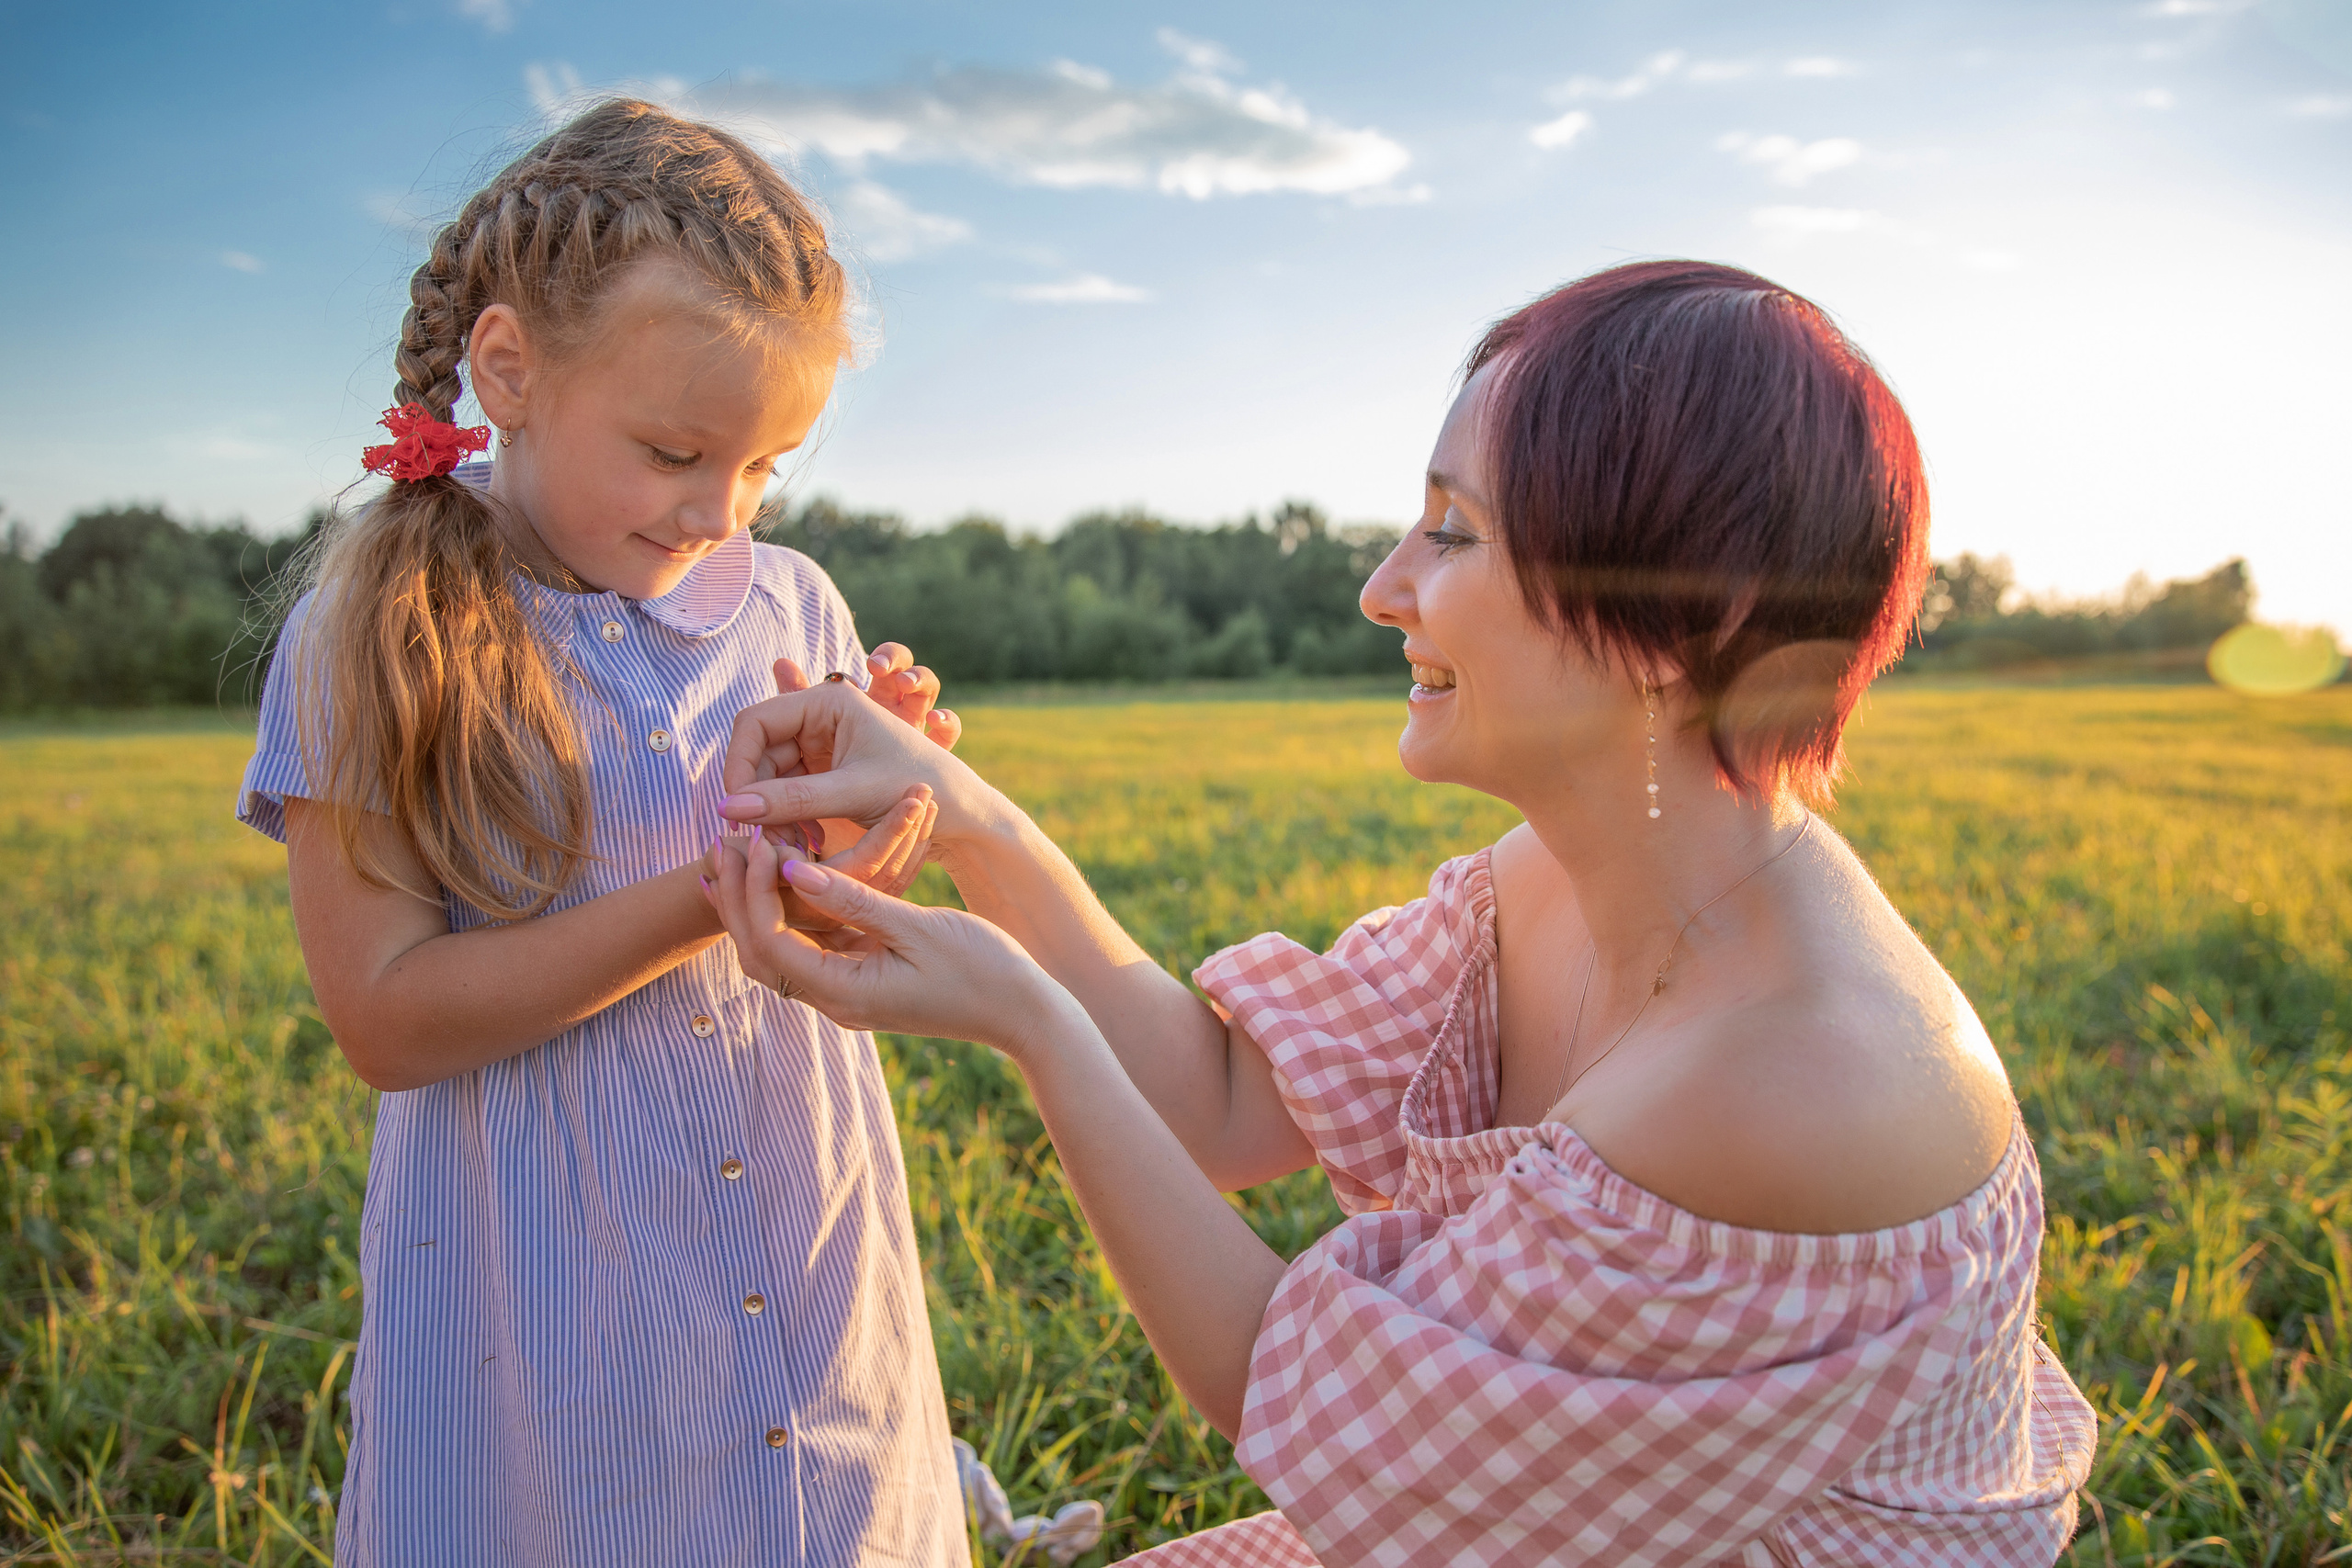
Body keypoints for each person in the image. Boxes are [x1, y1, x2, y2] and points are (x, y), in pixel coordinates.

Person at [704, 261, 2099, 1565]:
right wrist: (968, 815)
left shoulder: (1789, 1077)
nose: (1383, 590)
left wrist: (1031, 1019)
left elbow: (1321, 1416)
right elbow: (1224, 1102)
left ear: (1687, 614)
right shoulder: (1550, 882)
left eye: (1455, 532)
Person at [236, 99, 970, 1566]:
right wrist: (716, 893)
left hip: (798, 1235)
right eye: (674, 451)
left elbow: (823, 929)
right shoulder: (378, 633)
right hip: (550, 1296)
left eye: (763, 468)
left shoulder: (788, 605)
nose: (717, 511)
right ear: (509, 370)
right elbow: (386, 1016)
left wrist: (856, 823)